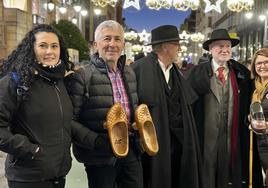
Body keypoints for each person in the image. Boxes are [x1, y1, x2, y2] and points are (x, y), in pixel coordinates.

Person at [0, 24, 97, 188]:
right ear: (32, 48)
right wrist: (30, 150)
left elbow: (64, 122)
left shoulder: (60, 82)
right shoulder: (15, 82)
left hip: (58, 174)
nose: (49, 52)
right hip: (28, 177)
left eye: (54, 46)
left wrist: (95, 140)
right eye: (42, 46)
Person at [68, 20, 143, 188]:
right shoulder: (83, 76)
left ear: (123, 44)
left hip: (130, 150)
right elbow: (70, 121)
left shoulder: (129, 73)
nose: (112, 44)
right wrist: (97, 141)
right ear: (96, 44)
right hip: (100, 156)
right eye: (107, 38)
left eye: (117, 39)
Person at [186, 28, 263, 188]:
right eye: (220, 46)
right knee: (205, 174)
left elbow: (254, 99)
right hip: (205, 137)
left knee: (229, 175)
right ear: (210, 49)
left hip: (232, 136)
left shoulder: (241, 73)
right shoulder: (196, 74)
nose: (225, 50)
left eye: (228, 46)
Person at [132, 25, 202, 188]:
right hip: (153, 145)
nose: (179, 48)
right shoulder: (138, 69)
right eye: (176, 44)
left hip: (177, 144)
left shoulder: (176, 72)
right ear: (165, 46)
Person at [250, 48, 268, 186]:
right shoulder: (254, 89)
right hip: (260, 144)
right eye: (258, 63)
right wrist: (249, 120)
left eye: (266, 62)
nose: (262, 66)